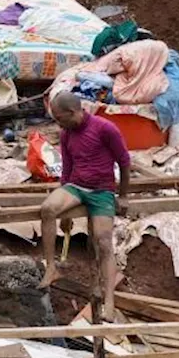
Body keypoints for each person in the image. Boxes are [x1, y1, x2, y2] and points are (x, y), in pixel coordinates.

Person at [38, 91, 131, 320]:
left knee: (103, 242)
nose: (59, 124)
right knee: (48, 209)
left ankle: (109, 300)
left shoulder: (104, 128)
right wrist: (65, 212)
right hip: (76, 186)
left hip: (102, 190)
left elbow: (124, 161)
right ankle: (51, 266)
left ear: (73, 112)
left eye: (61, 118)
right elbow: (67, 170)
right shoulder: (66, 134)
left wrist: (124, 196)